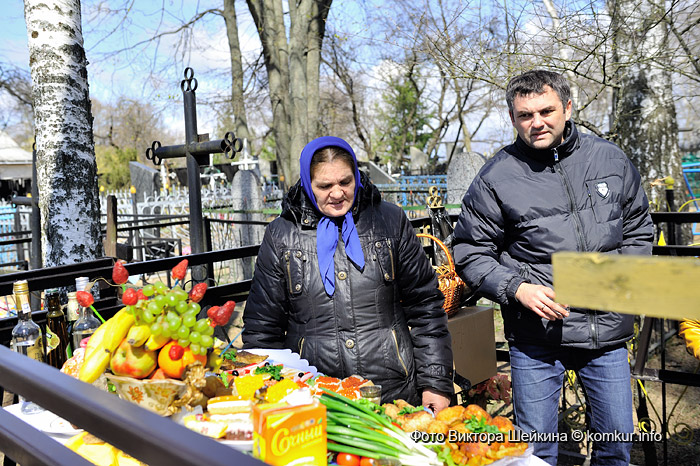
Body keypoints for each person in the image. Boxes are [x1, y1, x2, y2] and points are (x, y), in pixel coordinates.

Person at [452, 70, 653, 465]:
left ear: (567, 107)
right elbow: (470, 250)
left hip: (606, 333)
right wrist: (516, 288)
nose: (537, 122)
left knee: (616, 449)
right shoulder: (496, 177)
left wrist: (620, 281)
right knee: (535, 453)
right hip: (536, 338)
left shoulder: (609, 159)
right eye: (525, 115)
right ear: (513, 119)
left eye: (546, 110)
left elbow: (639, 229)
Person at [242, 136, 453, 413]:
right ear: (308, 184)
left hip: (392, 391)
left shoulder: (389, 221)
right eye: (325, 186)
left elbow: (425, 307)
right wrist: (268, 392)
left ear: (357, 176)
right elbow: (262, 329)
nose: (338, 193)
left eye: (345, 182)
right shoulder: (282, 235)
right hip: (314, 396)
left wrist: (436, 383)